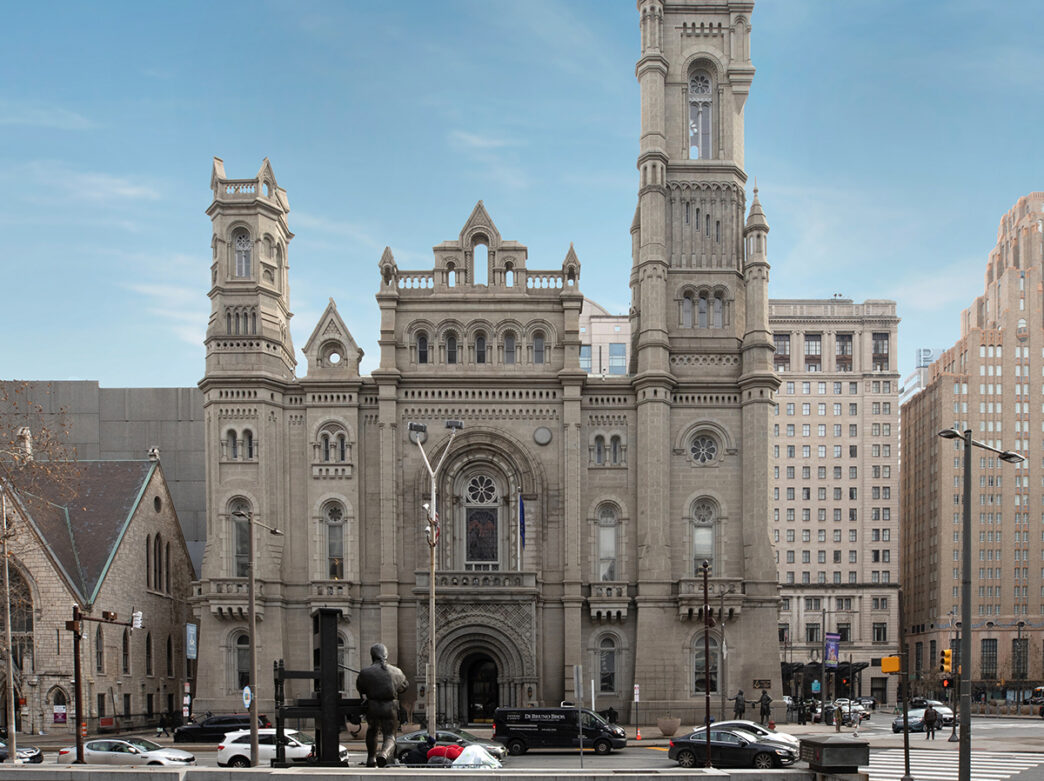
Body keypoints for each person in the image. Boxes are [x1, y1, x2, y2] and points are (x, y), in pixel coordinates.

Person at [356, 642, 409, 767]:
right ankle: (384, 754)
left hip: (373, 706)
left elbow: (361, 688)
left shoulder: (365, 672)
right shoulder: (396, 671)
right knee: (390, 735)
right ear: (386, 655)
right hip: (390, 707)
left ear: (372, 656)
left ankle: (371, 759)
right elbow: (404, 687)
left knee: (372, 730)